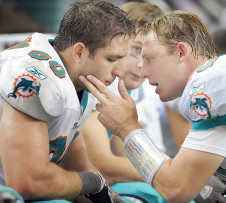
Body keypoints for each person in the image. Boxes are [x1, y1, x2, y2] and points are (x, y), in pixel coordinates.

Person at [80, 10, 226, 202]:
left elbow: (175, 189)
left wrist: (127, 127)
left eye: (149, 58)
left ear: (181, 52)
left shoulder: (211, 82)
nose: (143, 71)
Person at [0, 0, 135, 202]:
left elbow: (76, 167)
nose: (119, 71)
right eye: (111, 59)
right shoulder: (36, 75)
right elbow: (28, 183)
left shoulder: (79, 82)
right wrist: (94, 182)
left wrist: (111, 198)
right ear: (79, 52)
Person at [81, 2, 169, 202]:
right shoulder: (96, 83)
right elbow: (103, 165)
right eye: (136, 50)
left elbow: (128, 156)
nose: (141, 65)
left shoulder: (130, 91)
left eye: (150, 57)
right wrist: (173, 172)